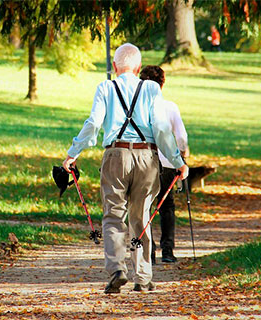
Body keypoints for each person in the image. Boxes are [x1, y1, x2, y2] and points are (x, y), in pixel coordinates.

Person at [63, 43, 188, 294]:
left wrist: (72, 154)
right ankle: (143, 277)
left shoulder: (106, 87)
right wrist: (178, 162)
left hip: (115, 155)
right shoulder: (152, 88)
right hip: (146, 157)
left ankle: (117, 270)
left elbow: (94, 123)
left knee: (113, 215)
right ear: (139, 68)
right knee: (141, 217)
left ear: (114, 67)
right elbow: (162, 130)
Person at [139, 66, 189, 264]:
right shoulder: (170, 107)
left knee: (145, 206)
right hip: (168, 162)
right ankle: (167, 251)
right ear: (162, 84)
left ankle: (148, 252)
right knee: (167, 206)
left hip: (145, 161)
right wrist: (182, 154)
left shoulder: (138, 108)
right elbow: (181, 136)